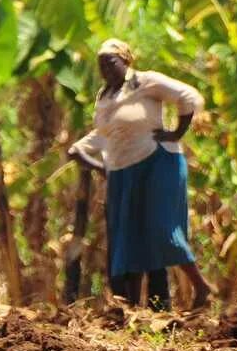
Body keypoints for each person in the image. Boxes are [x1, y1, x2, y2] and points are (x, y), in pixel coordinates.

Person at [68, 39, 213, 310]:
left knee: (161, 230)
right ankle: (133, 309)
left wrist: (177, 132)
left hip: (157, 163)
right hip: (124, 171)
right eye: (101, 65)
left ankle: (202, 287)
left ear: (125, 60)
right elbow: (105, 134)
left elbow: (188, 96)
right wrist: (86, 155)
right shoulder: (105, 96)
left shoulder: (145, 82)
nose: (105, 69)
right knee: (129, 237)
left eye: (110, 62)